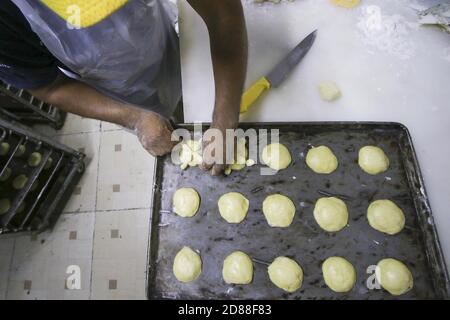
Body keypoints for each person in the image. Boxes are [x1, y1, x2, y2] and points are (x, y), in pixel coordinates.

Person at [0, 0, 248, 175]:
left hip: (163, 40)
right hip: (115, 87)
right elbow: (49, 87)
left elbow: (221, 13)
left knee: (193, 89)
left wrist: (225, 118)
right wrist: (135, 117)